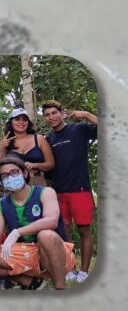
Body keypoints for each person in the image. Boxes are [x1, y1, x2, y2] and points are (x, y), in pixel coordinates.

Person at [0, 157, 76, 290]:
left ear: (24, 173)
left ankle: (60, 288)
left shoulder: (45, 192)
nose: (10, 177)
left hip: (56, 252)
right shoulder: (1, 204)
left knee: (45, 235)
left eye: (14, 172)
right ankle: (31, 282)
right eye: (5, 175)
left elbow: (51, 220)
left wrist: (18, 232)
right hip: (26, 252)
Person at [41, 100, 97, 282]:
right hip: (58, 192)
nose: (51, 117)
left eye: (54, 113)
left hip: (80, 189)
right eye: (47, 115)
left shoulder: (79, 129)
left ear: (62, 113)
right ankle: (70, 269)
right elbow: (48, 169)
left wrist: (86, 114)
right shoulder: (48, 139)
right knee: (63, 232)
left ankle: (84, 272)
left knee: (84, 230)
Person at [0, 107, 54, 184]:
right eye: (17, 119)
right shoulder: (6, 142)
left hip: (37, 181)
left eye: (24, 119)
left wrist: (35, 165)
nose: (21, 122)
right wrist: (1, 149)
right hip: (14, 183)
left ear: (28, 122)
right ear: (11, 123)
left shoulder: (39, 139)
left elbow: (51, 164)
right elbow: (1, 168)